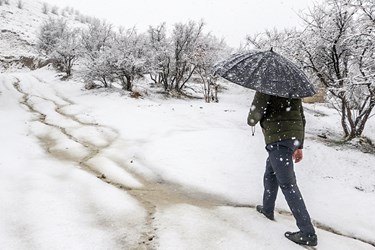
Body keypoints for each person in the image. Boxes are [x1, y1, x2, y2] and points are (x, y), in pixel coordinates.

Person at [247, 91, 317, 247]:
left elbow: (253, 117)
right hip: (290, 139)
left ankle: (308, 233)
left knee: (288, 184)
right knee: (270, 173)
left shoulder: (266, 87)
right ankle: (267, 209)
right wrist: (298, 145)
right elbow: (301, 118)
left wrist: (252, 117)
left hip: (278, 140)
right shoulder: (293, 88)